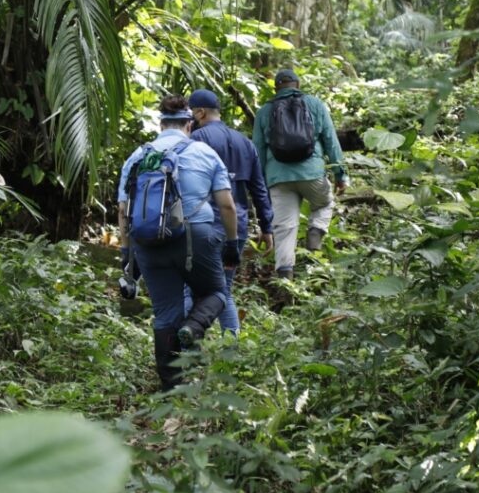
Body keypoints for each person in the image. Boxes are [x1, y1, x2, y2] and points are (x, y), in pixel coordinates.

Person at [119, 94, 241, 390]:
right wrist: (232, 244)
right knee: (216, 292)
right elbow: (226, 206)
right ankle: (193, 327)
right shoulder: (204, 152)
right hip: (195, 237)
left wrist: (126, 254)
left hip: (148, 242)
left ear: (161, 124)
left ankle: (171, 390)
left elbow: (123, 211)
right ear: (189, 124)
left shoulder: (138, 156)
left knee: (165, 314)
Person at [186, 88, 274, 335]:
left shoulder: (197, 140)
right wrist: (267, 228)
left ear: (200, 112)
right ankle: (231, 348)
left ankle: (185, 349)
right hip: (237, 228)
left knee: (190, 288)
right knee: (223, 290)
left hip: (205, 225)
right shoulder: (245, 142)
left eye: (192, 113)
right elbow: (259, 189)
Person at [252, 69, 348, 280]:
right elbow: (331, 142)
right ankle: (315, 236)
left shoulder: (264, 112)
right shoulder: (314, 104)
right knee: (323, 204)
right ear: (298, 84)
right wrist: (341, 175)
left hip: (278, 178)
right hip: (311, 173)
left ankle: (286, 279)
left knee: (285, 228)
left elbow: (257, 151)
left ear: (276, 87)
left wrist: (259, 184)